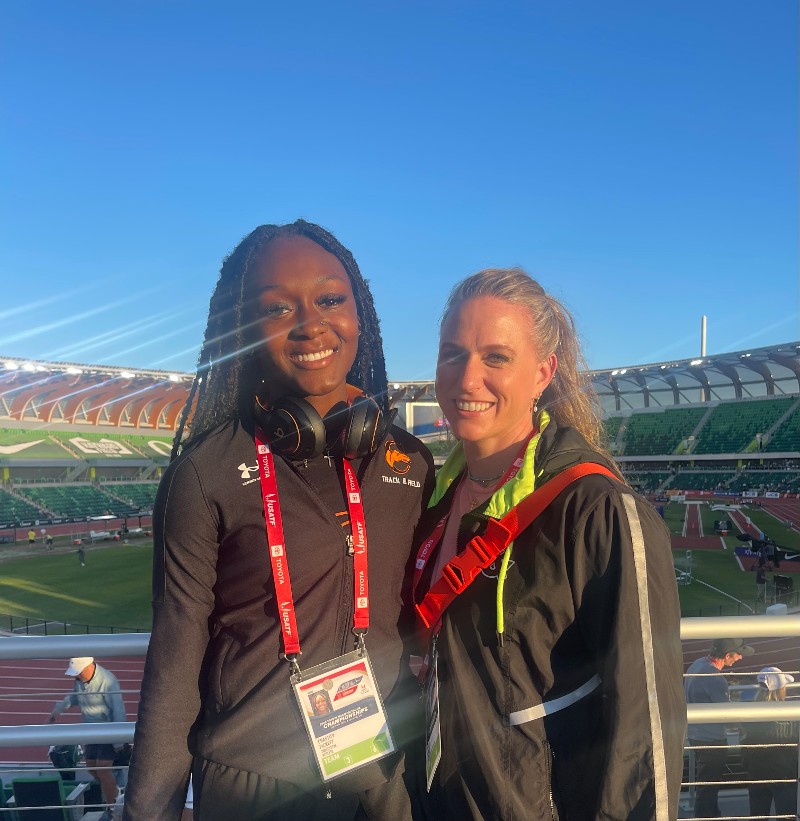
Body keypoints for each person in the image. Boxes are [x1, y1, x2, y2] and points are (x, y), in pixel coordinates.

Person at [123, 220, 434, 821]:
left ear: (359, 312)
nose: (310, 324)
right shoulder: (206, 473)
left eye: (329, 299)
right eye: (276, 308)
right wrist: (148, 812)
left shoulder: (411, 461)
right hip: (253, 788)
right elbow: (176, 661)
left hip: (389, 777)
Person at [412, 268, 686, 820]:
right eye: (451, 353)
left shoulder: (600, 510)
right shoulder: (434, 497)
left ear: (543, 373)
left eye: (496, 357)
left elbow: (645, 733)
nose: (466, 379)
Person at [49, 657, 127, 820]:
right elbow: (73, 697)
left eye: (78, 673)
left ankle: (113, 807)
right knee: (92, 768)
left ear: (88, 667)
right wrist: (58, 710)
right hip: (90, 730)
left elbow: (118, 710)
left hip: (108, 729)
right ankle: (115, 793)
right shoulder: (79, 680)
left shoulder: (108, 681)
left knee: (103, 768)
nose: (75, 677)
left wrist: (118, 740)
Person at [684, 637, 754, 818]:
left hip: (696, 735)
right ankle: (707, 816)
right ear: (728, 655)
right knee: (709, 787)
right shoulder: (715, 679)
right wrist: (743, 727)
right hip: (711, 741)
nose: (740, 658)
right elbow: (727, 715)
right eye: (738, 654)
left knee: (706, 785)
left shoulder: (698, 664)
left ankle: (712, 814)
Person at [743, 666, 798, 821]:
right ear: (780, 689)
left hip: (756, 772)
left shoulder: (747, 712)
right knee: (786, 815)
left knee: (758, 814)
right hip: (784, 774)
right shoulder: (790, 714)